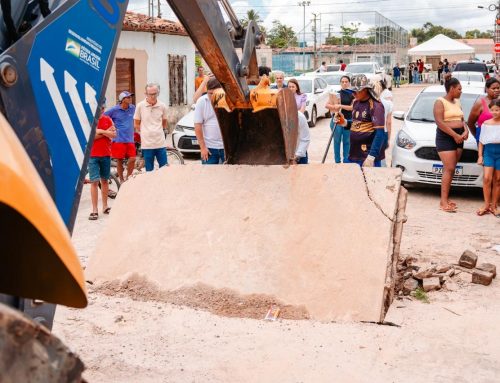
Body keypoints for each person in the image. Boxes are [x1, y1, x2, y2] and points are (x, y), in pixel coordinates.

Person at [433, 73, 469, 213]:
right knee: (448, 168)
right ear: (452, 88)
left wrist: (465, 131)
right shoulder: (439, 102)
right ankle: (443, 202)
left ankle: (447, 199)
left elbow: (462, 118)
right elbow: (440, 122)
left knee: (452, 168)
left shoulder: (457, 102)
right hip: (446, 137)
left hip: (459, 137)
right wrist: (454, 135)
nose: (461, 91)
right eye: (459, 89)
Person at [348, 74, 386, 167]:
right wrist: (344, 122)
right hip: (354, 154)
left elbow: (380, 134)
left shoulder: (375, 105)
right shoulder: (356, 102)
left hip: (367, 157)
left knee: (370, 181)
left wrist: (371, 157)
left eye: (356, 91)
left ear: (365, 90)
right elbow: (357, 124)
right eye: (352, 91)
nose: (353, 94)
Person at [88, 100, 116, 220]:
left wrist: (100, 131)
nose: (102, 110)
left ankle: (105, 206)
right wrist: (106, 132)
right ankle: (94, 210)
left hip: (105, 154)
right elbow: (90, 138)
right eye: (100, 108)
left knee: (105, 181)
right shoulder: (90, 120)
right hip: (92, 155)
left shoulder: (108, 119)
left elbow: (114, 134)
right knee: (94, 182)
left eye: (103, 108)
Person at [134, 83, 169, 171]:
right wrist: (145, 132)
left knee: (164, 168)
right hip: (147, 144)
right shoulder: (140, 106)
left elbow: (164, 121)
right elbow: (136, 124)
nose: (153, 96)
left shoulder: (162, 106)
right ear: (146, 94)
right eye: (150, 94)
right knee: (149, 170)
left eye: (155, 94)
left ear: (158, 93)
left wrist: (159, 130)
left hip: (160, 143)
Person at [105, 91, 136, 182]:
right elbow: (103, 117)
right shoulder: (114, 110)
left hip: (130, 138)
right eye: (128, 97)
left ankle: (128, 178)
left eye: (131, 97)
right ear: (122, 100)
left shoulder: (133, 108)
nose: (130, 98)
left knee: (133, 158)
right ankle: (121, 180)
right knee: (119, 160)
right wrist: (110, 128)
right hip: (118, 139)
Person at [477, 98, 500, 217]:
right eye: (492, 110)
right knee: (487, 178)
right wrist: (480, 156)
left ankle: (494, 206)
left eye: (497, 110)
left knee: (498, 180)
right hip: (489, 152)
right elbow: (481, 141)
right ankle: (486, 205)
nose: (495, 112)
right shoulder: (486, 124)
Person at [194, 77, 225, 164]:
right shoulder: (201, 101)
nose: (211, 96)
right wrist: (203, 148)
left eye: (214, 93)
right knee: (207, 175)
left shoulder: (228, 100)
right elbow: (197, 126)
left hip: (226, 147)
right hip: (209, 148)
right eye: (209, 93)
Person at [326, 75, 354, 163]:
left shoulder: (353, 94)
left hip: (348, 119)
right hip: (337, 118)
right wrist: (335, 107)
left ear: (349, 83)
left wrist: (340, 106)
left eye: (346, 82)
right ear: (340, 83)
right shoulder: (336, 94)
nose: (344, 83)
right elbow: (326, 105)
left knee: (347, 141)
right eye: (342, 82)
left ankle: (346, 160)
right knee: (336, 141)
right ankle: (337, 161)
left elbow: (352, 107)